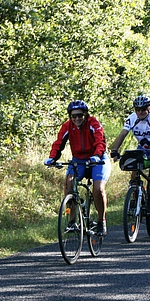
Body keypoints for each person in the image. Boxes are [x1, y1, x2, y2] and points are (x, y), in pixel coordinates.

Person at [44, 100, 111, 235]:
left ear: (85, 115)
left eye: (79, 115)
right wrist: (52, 158)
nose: (76, 119)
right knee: (69, 184)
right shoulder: (67, 126)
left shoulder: (93, 123)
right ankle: (72, 221)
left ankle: (101, 221)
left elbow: (100, 140)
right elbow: (58, 143)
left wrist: (97, 155)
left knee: (98, 189)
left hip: (97, 160)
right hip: (78, 160)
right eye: (73, 116)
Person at [110, 95, 150, 222]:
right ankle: (135, 197)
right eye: (137, 109)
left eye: (143, 109)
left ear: (149, 108)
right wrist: (115, 150)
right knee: (134, 172)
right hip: (142, 148)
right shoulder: (132, 118)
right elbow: (122, 135)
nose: (140, 112)